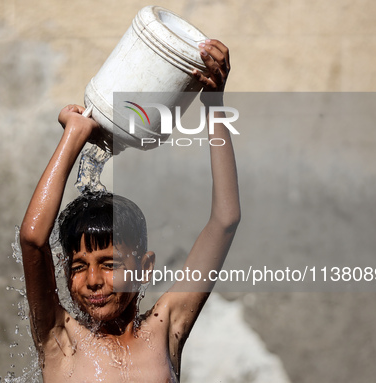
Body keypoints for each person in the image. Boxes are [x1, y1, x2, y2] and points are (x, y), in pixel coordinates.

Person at [19, 39, 240, 383]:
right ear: (64, 272)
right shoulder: (60, 339)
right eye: (79, 267)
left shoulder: (166, 328)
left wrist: (213, 104)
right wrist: (74, 137)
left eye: (110, 264)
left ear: (145, 266)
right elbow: (33, 240)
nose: (93, 281)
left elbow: (225, 221)